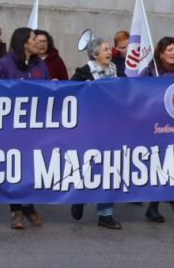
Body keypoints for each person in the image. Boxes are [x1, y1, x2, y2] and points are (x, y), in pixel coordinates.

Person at [0, 27, 48, 228]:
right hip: (11, 125)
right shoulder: (4, 64)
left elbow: (48, 89)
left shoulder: (40, 64)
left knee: (31, 165)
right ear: (24, 42)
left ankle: (30, 206)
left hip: (34, 125)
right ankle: (16, 210)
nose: (38, 42)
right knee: (14, 166)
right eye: (34, 39)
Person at [69, 36, 122, 229]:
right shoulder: (83, 73)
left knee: (110, 169)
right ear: (95, 54)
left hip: (112, 129)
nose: (110, 52)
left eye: (110, 49)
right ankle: (81, 197)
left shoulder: (116, 71)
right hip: (89, 130)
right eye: (106, 49)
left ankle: (105, 214)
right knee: (89, 166)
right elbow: (70, 94)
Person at [143, 36, 174, 229]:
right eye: (169, 50)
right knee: (166, 167)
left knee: (167, 167)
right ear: (160, 54)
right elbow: (136, 91)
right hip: (154, 129)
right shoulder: (150, 72)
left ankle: (152, 208)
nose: (173, 53)